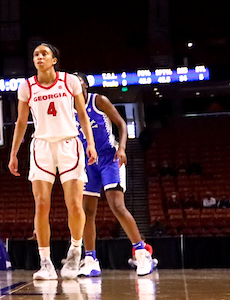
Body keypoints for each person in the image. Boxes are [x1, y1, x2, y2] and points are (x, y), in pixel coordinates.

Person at [8, 42, 98, 280]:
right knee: (41, 204)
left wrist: (90, 143)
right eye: (36, 54)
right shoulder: (26, 86)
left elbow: (83, 114)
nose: (39, 57)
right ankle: (45, 262)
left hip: (70, 144)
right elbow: (20, 122)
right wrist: (14, 153)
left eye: (44, 54)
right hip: (42, 147)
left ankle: (75, 251)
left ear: (54, 60)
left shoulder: (70, 81)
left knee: (75, 205)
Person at [74, 77, 152, 277]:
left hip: (110, 158)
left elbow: (121, 123)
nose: (74, 84)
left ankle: (142, 254)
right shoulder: (68, 108)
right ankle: (90, 259)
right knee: (87, 212)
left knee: (117, 206)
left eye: (77, 81)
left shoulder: (98, 100)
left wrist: (123, 148)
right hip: (87, 162)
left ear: (85, 85)